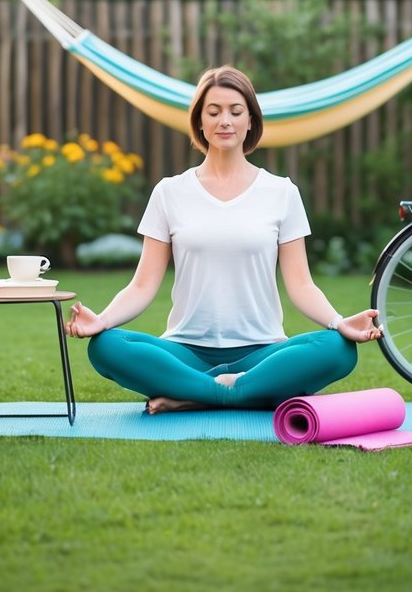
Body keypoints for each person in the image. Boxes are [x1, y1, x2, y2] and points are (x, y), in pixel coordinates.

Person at [65, 65, 381, 414]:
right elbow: (142, 286)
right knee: (105, 346)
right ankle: (240, 392)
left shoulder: (282, 192)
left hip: (264, 351)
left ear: (250, 121)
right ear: (199, 122)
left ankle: (192, 396)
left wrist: (339, 322)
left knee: (338, 349)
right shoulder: (169, 192)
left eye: (235, 111)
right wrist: (103, 321)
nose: (225, 121)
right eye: (213, 112)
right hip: (184, 352)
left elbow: (302, 285)